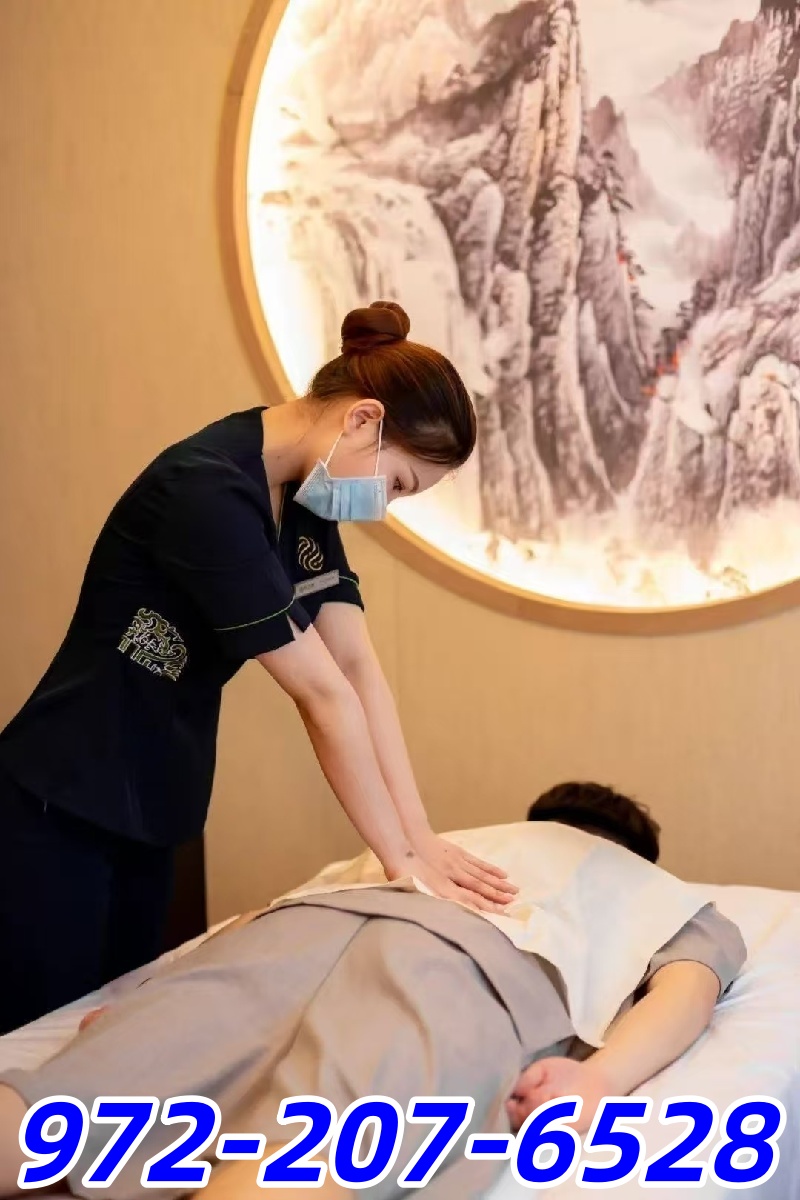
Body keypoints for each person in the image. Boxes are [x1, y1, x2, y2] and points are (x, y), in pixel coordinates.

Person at [0, 300, 516, 1037]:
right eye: (399, 484)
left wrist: (420, 834)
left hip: (161, 802)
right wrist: (401, 860)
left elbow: (356, 667)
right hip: (64, 801)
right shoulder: (205, 491)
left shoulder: (301, 496)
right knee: (35, 1041)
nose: (385, 506)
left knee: (116, 1032)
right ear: (363, 420)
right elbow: (321, 695)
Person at [0, 782, 745, 1200]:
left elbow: (263, 919)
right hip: (460, 968)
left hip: (296, 935)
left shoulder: (439, 841)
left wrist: (150, 999)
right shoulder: (657, 889)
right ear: (639, 854)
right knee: (310, 1154)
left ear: (539, 818)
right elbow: (689, 986)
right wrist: (598, 1080)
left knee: (58, 1109)